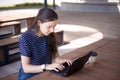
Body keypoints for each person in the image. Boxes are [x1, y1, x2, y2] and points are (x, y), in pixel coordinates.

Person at [18, 8, 72, 80]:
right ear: (39, 23)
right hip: (29, 76)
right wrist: (46, 66)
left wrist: (60, 61)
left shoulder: (49, 35)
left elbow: (55, 57)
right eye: (49, 27)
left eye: (54, 27)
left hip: (45, 74)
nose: (52, 30)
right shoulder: (26, 38)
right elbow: (26, 68)